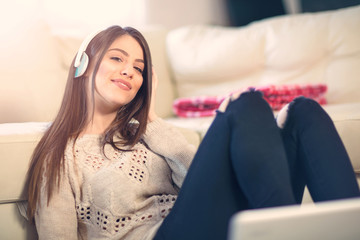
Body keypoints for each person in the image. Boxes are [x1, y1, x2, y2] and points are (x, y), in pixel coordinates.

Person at [26, 25, 360, 240]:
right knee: (244, 105)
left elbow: (199, 181)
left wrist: (150, 119)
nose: (129, 70)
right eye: (117, 58)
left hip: (212, 224)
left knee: (304, 112)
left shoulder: (149, 134)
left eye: (139, 68)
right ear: (82, 65)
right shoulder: (61, 155)